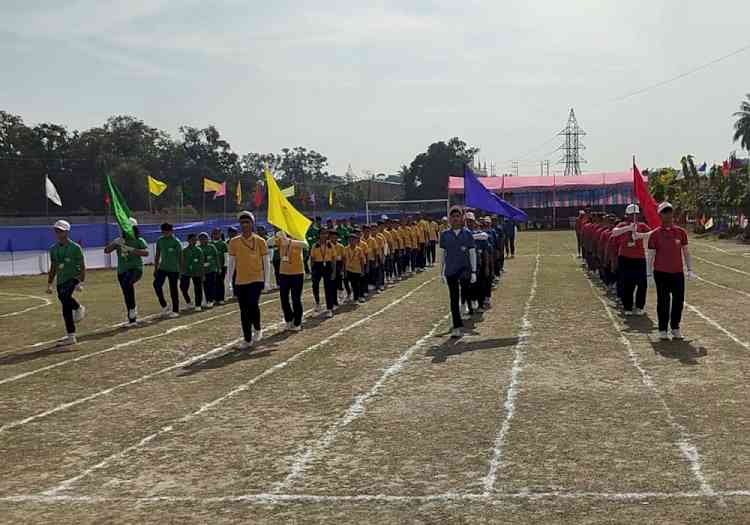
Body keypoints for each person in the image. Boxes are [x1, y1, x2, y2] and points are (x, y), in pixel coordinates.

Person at [641, 202, 694, 341]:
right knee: (663, 302)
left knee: (678, 302)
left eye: (670, 211)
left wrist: (690, 269)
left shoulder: (681, 232)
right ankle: (663, 329)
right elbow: (650, 255)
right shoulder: (655, 235)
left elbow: (686, 253)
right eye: (665, 212)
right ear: (660, 215)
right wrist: (648, 274)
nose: (668, 214)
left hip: (677, 273)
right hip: (661, 273)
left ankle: (675, 327)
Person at [227, 211, 269, 349]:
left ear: (252, 223)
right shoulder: (234, 242)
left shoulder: (260, 241)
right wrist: (228, 282)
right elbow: (231, 262)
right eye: (242, 223)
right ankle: (247, 339)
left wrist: (266, 281)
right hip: (240, 281)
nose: (245, 225)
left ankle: (257, 328)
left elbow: (266, 262)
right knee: (244, 310)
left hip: (256, 279)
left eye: (248, 222)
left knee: (253, 305)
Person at [46, 220, 86, 345]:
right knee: (65, 308)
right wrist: (49, 283)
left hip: (73, 278)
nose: (58, 233)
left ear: (67, 232)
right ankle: (71, 336)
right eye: (57, 230)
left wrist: (80, 281)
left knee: (64, 296)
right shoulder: (53, 249)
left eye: (61, 230)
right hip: (61, 280)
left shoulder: (75, 248)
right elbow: (53, 267)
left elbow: (82, 266)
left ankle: (78, 307)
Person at [440, 206, 477, 338]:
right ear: (449, 219)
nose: (455, 219)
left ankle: (465, 303)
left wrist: (473, 271)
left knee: (465, 289)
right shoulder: (445, 235)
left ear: (462, 218)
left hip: (465, 269)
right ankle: (457, 326)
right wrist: (442, 271)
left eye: (458, 216)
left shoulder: (467, 234)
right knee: (453, 298)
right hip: (451, 270)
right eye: (453, 216)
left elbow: (472, 253)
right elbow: (444, 254)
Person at [104, 218, 148, 325]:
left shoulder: (139, 240)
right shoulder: (119, 240)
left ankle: (133, 309)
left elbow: (145, 253)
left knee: (127, 283)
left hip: (135, 269)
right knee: (126, 292)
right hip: (122, 270)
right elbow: (106, 251)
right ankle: (132, 317)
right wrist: (115, 243)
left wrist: (131, 249)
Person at [611, 205, 651, 316]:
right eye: (631, 214)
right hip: (625, 258)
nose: (633, 216)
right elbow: (614, 232)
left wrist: (640, 235)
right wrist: (628, 228)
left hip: (639, 258)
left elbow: (652, 234)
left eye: (635, 214)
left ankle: (639, 306)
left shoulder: (642, 225)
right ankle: (627, 306)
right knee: (627, 283)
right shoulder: (622, 225)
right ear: (626, 215)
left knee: (642, 284)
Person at [276, 230, 306, 331]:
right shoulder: (281, 236)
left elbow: (305, 245)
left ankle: (297, 322)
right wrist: (278, 235)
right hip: (284, 273)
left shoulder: (299, 236)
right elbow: (269, 243)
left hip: (297, 272)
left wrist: (290, 241)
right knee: (284, 298)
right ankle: (289, 320)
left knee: (296, 298)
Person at [153, 222, 181, 318]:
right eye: (163, 232)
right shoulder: (160, 240)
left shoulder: (176, 242)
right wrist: (155, 268)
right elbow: (157, 255)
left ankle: (175, 310)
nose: (165, 234)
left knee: (173, 289)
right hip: (163, 268)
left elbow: (180, 257)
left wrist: (181, 271)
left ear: (171, 231)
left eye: (167, 232)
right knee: (156, 285)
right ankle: (164, 306)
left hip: (174, 269)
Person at [309, 228, 338, 318]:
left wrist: (333, 271)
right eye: (322, 234)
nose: (324, 235)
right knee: (315, 285)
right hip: (318, 266)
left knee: (328, 287)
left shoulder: (330, 245)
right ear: (319, 235)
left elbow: (333, 259)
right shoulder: (315, 245)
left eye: (325, 234)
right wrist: (312, 270)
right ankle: (317, 303)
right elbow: (312, 258)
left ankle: (329, 308)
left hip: (328, 266)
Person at [180, 233, 204, 311]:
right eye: (192, 240)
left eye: (195, 240)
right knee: (183, 288)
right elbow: (181, 262)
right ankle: (189, 302)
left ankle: (198, 305)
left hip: (197, 272)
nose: (194, 241)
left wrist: (202, 274)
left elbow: (201, 263)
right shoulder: (184, 251)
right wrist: (181, 272)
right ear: (188, 240)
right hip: (186, 272)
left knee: (198, 289)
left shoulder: (199, 250)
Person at [344, 230, 367, 303]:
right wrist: (344, 270)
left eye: (353, 240)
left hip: (357, 270)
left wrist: (363, 270)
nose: (351, 242)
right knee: (352, 284)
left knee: (357, 284)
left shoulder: (359, 250)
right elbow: (344, 260)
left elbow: (362, 260)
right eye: (350, 240)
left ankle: (357, 298)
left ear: (356, 241)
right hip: (348, 270)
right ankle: (354, 296)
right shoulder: (345, 249)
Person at [199, 232, 219, 309]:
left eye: (205, 238)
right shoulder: (198, 248)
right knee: (205, 286)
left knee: (211, 285)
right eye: (201, 239)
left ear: (207, 239)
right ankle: (208, 300)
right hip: (203, 271)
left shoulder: (211, 247)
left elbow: (216, 257)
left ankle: (211, 300)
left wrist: (218, 267)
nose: (203, 240)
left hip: (212, 269)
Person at [212, 228, 228, 305]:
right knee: (213, 283)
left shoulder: (223, 244)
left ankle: (221, 298)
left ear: (220, 234)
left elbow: (226, 256)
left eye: (217, 233)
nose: (215, 235)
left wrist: (225, 266)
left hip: (221, 267)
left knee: (220, 282)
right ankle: (214, 298)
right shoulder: (210, 244)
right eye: (214, 233)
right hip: (212, 268)